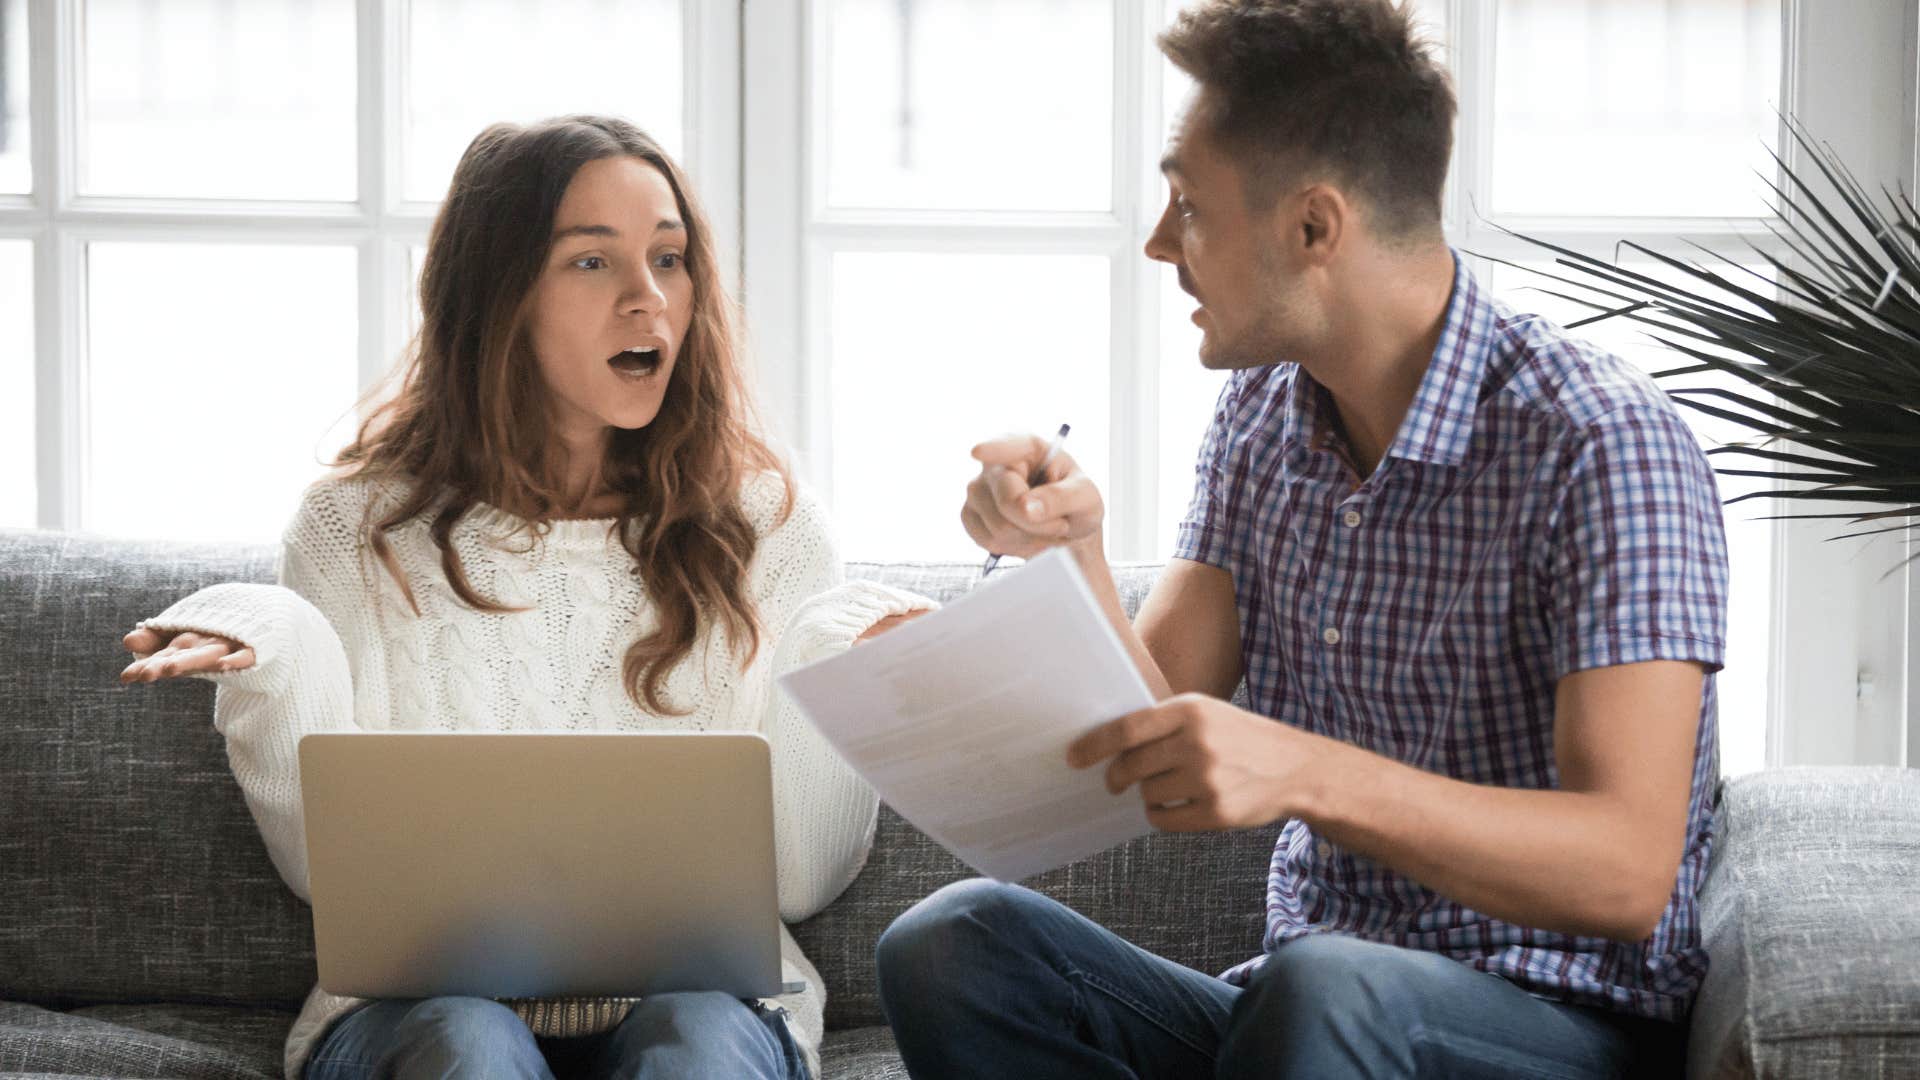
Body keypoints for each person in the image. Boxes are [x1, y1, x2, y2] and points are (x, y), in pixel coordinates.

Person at [876, 1, 1727, 1076]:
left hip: (1552, 1025)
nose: (1155, 243)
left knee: (1326, 986)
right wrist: (1070, 557)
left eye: (1187, 205)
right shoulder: (1264, 414)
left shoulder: (1603, 446)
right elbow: (1141, 728)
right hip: (1300, 1011)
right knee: (955, 944)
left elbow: (1627, 870)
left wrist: (1310, 774)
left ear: (1314, 228)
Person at [119, 115, 930, 1080]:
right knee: (469, 1041)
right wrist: (277, 658)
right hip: (416, 1013)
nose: (648, 301)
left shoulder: (768, 521)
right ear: (496, 294)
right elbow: (324, 880)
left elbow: (799, 884)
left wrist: (837, 665)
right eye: (593, 264)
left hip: (709, 1008)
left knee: (701, 1046)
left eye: (669, 260)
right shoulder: (354, 523)